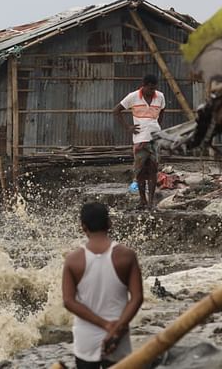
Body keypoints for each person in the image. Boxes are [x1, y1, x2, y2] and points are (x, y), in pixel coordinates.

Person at [62, 202, 143, 369]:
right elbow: (137, 298)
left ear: (83, 227)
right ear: (109, 223)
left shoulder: (73, 260)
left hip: (86, 341)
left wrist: (105, 325)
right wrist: (116, 329)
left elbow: (69, 302)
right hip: (118, 339)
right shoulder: (126, 256)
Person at [113, 74, 165, 208]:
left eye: (154, 89)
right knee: (140, 172)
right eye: (150, 88)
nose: (152, 91)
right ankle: (143, 200)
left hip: (154, 140)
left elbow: (162, 111)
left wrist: (156, 127)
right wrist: (128, 127)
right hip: (140, 139)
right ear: (144, 85)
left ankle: (151, 202)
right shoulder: (133, 96)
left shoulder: (160, 96)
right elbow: (116, 110)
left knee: (153, 170)